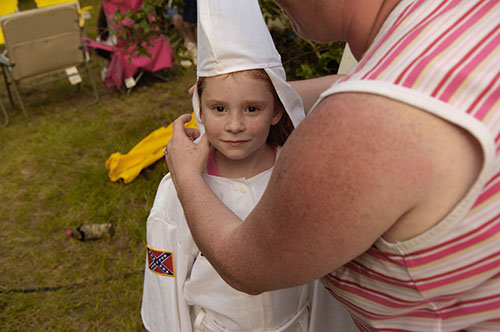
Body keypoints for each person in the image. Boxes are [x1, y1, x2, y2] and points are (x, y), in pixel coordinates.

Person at [165, 0, 500, 331]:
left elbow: (245, 265)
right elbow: (167, 273)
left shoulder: (363, 122)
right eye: (219, 108)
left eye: (251, 110)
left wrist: (185, 176)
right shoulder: (466, 17)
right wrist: (254, 97)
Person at [141, 0, 356, 331]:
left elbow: (321, 275)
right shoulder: (178, 189)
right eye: (219, 109)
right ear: (199, 107)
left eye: (252, 109)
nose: (235, 125)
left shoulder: (297, 172)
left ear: (277, 110)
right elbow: (164, 282)